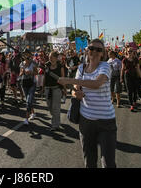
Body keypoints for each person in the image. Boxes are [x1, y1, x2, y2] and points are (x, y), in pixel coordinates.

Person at [58, 39, 116, 168]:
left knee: (108, 163)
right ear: (86, 51)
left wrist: (68, 79)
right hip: (86, 121)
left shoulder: (105, 66)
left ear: (103, 54)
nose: (94, 51)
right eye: (91, 48)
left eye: (98, 50)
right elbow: (75, 89)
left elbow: (96, 84)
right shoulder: (81, 68)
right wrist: (75, 93)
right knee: (89, 161)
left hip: (106, 121)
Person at [43, 51, 65, 131]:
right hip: (47, 88)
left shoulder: (60, 66)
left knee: (56, 107)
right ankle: (56, 119)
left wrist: (64, 89)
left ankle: (55, 125)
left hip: (57, 89)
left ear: (56, 57)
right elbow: (45, 76)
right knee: (49, 107)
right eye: (49, 56)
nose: (50, 58)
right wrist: (43, 87)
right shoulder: (47, 65)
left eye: (51, 57)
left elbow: (63, 78)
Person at [19, 50, 38, 125]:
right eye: (24, 54)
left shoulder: (33, 63)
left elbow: (36, 72)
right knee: (28, 99)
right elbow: (20, 74)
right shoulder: (22, 63)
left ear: (29, 55)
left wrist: (31, 72)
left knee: (28, 100)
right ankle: (33, 113)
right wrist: (23, 71)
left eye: (27, 54)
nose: (25, 56)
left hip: (32, 83)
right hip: (24, 83)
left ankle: (26, 119)